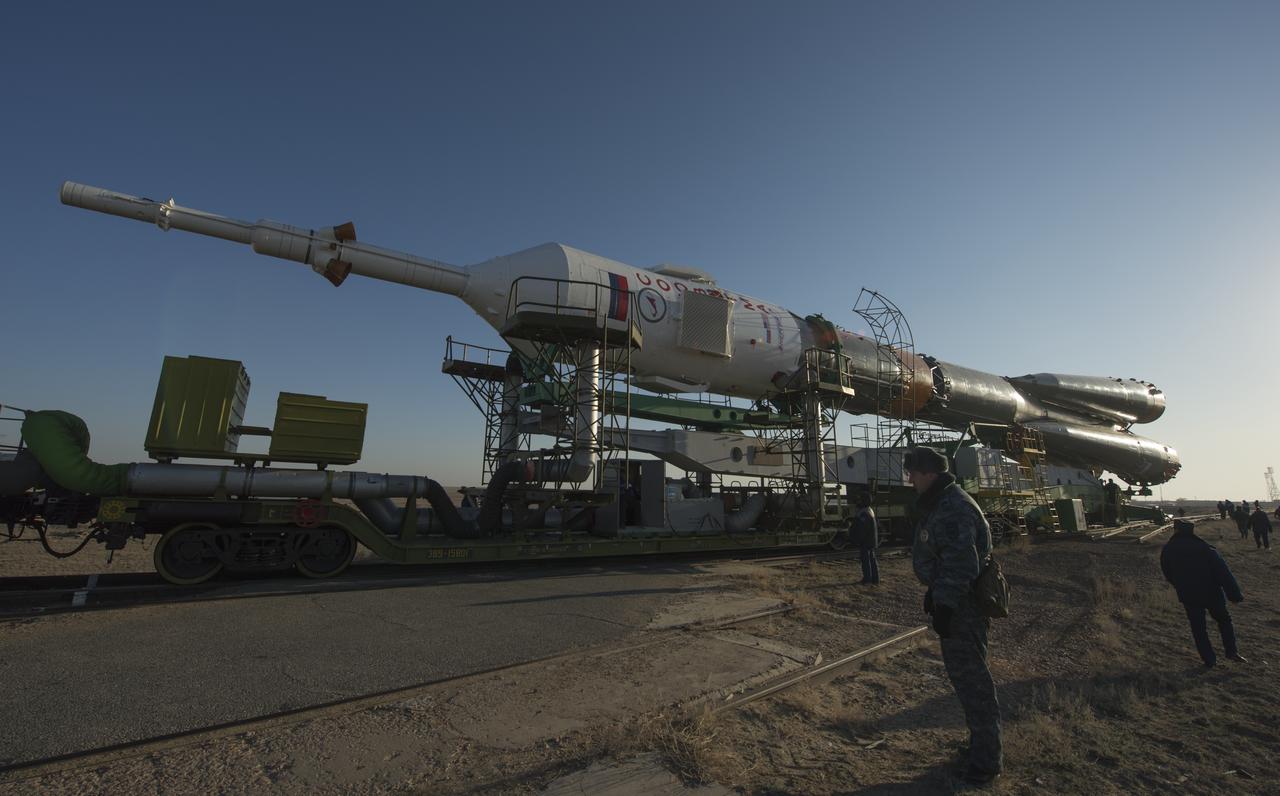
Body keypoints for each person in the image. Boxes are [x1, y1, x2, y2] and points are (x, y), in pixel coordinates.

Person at [906, 446, 1001, 789]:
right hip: (956, 603)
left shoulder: (954, 507)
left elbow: (963, 564)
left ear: (929, 473)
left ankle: (986, 762)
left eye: (913, 473)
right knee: (967, 682)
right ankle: (980, 750)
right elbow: (946, 558)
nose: (910, 479)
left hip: (963, 609)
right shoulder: (943, 502)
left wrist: (945, 605)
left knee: (974, 683)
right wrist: (936, 593)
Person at [1160, 519, 1245, 667]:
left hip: (1189, 595)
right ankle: (1231, 652)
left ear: (1177, 531)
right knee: (1224, 621)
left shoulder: (1168, 549)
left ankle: (1209, 660)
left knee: (1199, 628)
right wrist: (1234, 595)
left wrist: (1180, 585)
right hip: (1212, 593)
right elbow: (1223, 573)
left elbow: (1168, 573)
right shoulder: (1205, 548)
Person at [850, 492, 879, 585]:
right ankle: (875, 579)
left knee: (866, 561)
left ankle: (867, 579)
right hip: (871, 540)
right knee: (872, 559)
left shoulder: (864, 513)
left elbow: (862, 530)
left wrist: (857, 540)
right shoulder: (869, 510)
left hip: (866, 541)